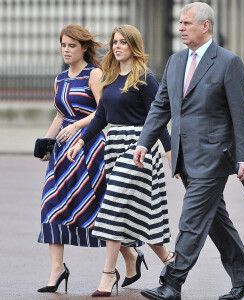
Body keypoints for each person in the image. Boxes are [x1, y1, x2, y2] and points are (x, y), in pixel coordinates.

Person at [134, 2, 244, 300]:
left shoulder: (229, 62)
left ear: (205, 26)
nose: (180, 28)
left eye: (187, 23)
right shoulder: (175, 61)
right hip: (184, 156)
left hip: (215, 158)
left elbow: (242, 113)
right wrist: (143, 142)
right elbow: (161, 106)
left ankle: (172, 283)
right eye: (179, 23)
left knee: (191, 220)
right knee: (216, 220)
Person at [67, 24, 174, 297]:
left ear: (133, 46)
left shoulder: (145, 79)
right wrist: (80, 142)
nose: (117, 46)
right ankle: (170, 261)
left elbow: (158, 118)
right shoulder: (110, 78)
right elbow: (101, 118)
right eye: (115, 42)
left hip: (140, 148)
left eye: (123, 42)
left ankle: (107, 274)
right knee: (132, 214)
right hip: (114, 147)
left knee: (112, 206)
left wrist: (172, 153)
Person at [36, 24, 108, 293]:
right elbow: (59, 115)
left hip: (89, 148)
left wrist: (77, 127)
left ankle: (130, 255)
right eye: (63, 45)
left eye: (72, 46)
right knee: (51, 204)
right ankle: (57, 269)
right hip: (62, 153)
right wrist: (45, 143)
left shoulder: (95, 74)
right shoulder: (60, 79)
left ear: (85, 48)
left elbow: (104, 113)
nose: (66, 50)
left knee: (99, 207)